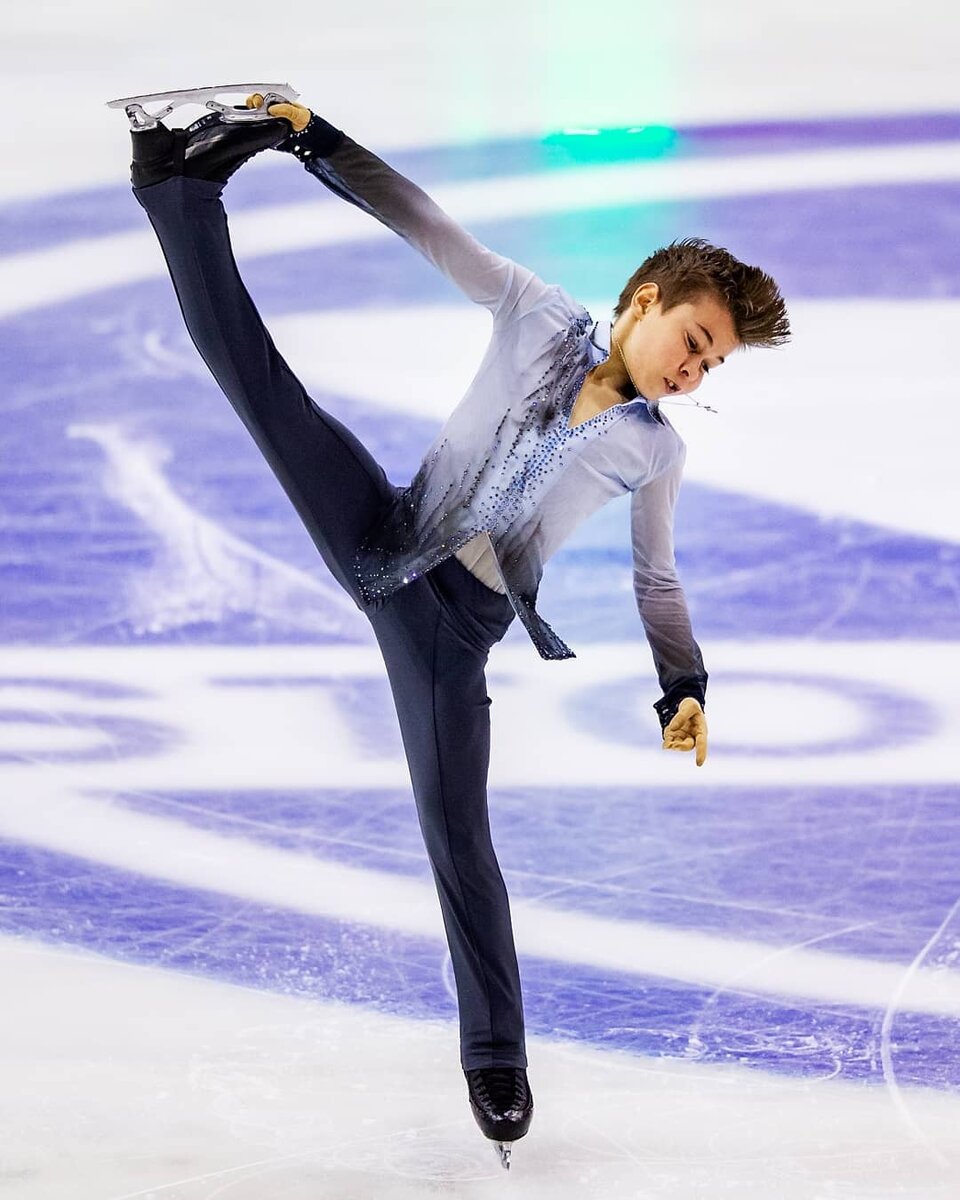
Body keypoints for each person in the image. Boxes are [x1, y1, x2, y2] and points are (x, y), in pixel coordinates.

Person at [119, 89, 790, 1166]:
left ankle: (495, 1057)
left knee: (459, 839)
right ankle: (175, 185)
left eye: (713, 365)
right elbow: (426, 225)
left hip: (446, 630)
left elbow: (656, 580)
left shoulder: (656, 451)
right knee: (261, 385)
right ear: (648, 300)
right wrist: (317, 140)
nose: (695, 369)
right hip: (379, 530)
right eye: (697, 340)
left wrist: (685, 686)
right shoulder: (535, 313)